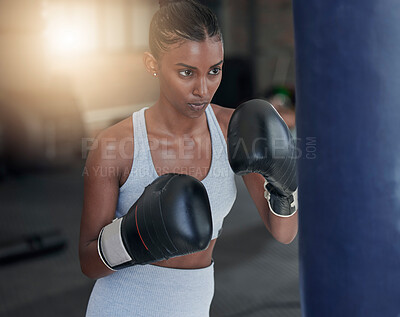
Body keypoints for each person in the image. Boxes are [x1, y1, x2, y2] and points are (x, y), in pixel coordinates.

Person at [79, 1, 298, 316]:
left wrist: (283, 185)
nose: (203, 89)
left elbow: (284, 233)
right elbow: (89, 261)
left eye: (214, 71)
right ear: (152, 64)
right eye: (186, 72)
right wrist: (134, 234)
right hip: (121, 305)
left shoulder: (235, 129)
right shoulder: (115, 145)